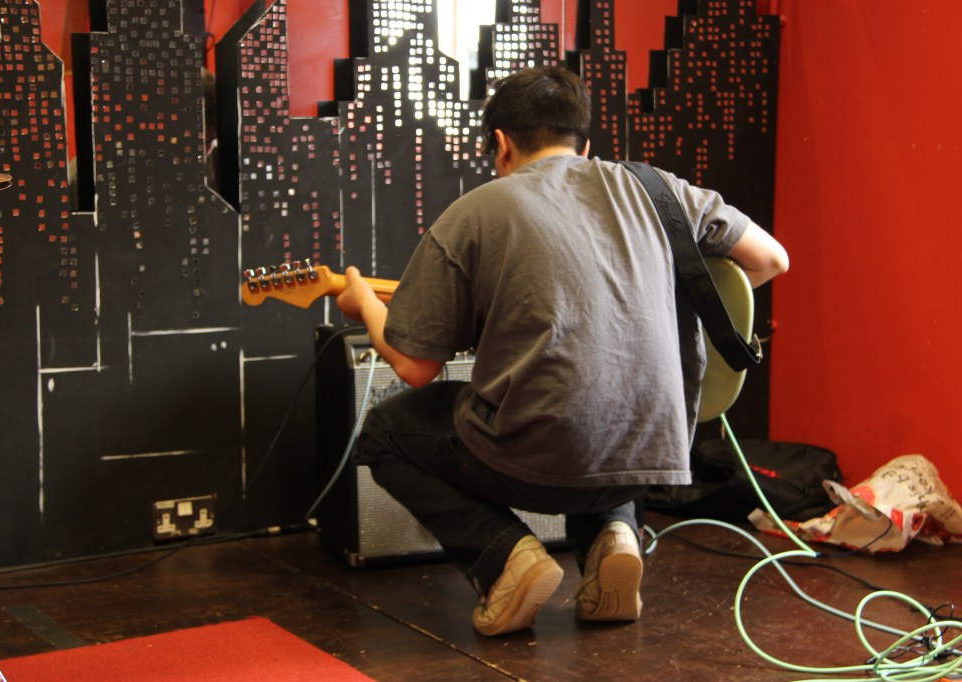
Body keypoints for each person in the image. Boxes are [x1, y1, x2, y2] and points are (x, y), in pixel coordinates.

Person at [336, 65, 788, 636]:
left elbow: (414, 366)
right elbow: (771, 260)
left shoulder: (476, 212)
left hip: (538, 462)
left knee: (386, 433)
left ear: (501, 144)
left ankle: (506, 559)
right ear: (584, 144)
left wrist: (365, 303)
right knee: (601, 400)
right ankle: (613, 535)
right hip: (657, 454)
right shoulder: (660, 190)